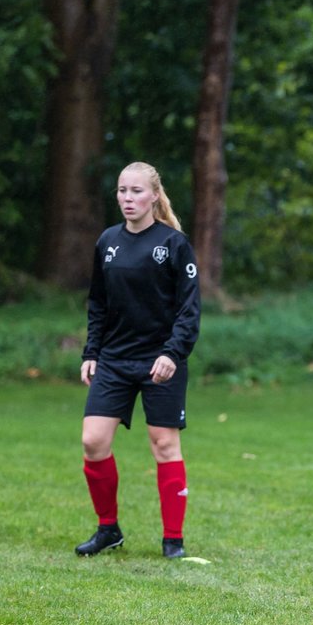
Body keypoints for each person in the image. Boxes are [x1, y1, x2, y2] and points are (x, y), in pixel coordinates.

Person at [75, 161, 201, 560]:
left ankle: (173, 540)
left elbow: (189, 309)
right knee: (93, 441)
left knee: (164, 444)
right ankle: (108, 529)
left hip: (160, 361)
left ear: (153, 196)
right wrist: (91, 352)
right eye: (121, 191)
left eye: (136, 192)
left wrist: (172, 352)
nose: (127, 199)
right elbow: (98, 303)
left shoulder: (174, 244)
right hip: (113, 360)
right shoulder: (107, 241)